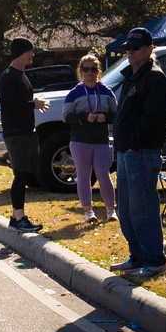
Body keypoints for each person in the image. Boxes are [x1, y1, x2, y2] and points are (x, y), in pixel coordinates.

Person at [109, 27, 166, 281]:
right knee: (125, 209)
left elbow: (156, 118)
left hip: (141, 153)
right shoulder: (131, 76)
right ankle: (138, 257)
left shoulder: (154, 78)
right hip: (125, 153)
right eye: (128, 48)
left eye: (136, 48)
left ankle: (155, 261)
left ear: (149, 49)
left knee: (142, 208)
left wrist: (135, 143)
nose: (131, 52)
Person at [0, 38, 50, 232]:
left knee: (26, 174)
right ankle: (19, 217)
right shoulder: (8, 76)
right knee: (20, 175)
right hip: (16, 134)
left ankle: (15, 217)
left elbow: (20, 101)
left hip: (27, 132)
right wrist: (32, 104)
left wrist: (33, 102)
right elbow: (9, 106)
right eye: (30, 51)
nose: (32, 55)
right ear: (21, 52)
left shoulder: (21, 75)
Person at [62, 53, 117, 224]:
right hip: (80, 140)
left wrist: (105, 117)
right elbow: (66, 117)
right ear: (81, 71)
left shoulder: (106, 92)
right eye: (86, 69)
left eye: (93, 69)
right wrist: (83, 117)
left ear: (98, 71)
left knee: (103, 174)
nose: (89, 72)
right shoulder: (74, 93)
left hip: (101, 140)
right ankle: (88, 211)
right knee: (83, 176)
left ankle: (111, 210)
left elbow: (116, 114)